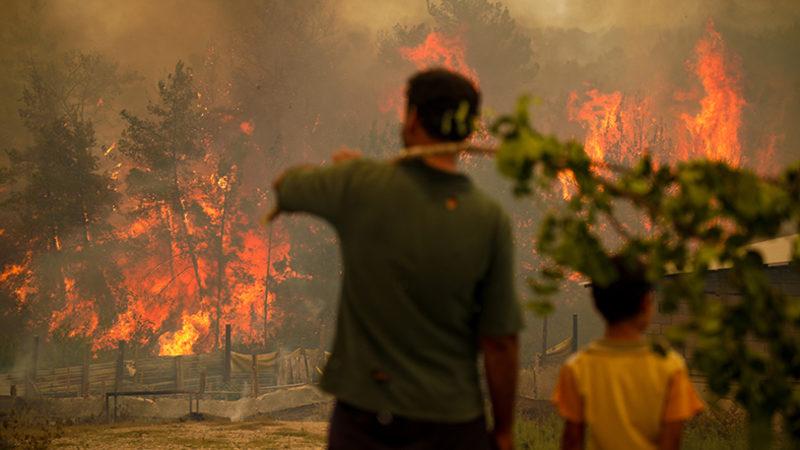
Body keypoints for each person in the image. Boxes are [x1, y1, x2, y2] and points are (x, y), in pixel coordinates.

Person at [272, 69, 523, 450]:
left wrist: (343, 171)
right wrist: (503, 430)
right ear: (468, 132)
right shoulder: (489, 219)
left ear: (413, 118)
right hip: (452, 425)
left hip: (366, 425)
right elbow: (501, 342)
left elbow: (286, 189)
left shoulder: (361, 185)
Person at [552, 256, 705, 450]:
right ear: (646, 303)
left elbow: (572, 441)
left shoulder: (577, 367)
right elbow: (671, 442)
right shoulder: (670, 366)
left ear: (597, 305)